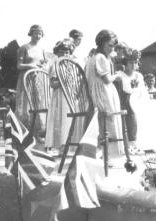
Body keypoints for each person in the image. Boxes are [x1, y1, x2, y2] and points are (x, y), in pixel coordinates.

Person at [85, 29, 124, 157]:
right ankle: (109, 153)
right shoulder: (101, 58)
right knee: (110, 119)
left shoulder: (92, 57)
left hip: (95, 95)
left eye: (113, 46)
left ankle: (104, 151)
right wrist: (117, 76)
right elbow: (107, 80)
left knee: (107, 120)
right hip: (102, 95)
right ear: (101, 43)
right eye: (109, 45)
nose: (111, 48)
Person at [45, 38, 85, 153]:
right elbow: (53, 84)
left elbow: (78, 79)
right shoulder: (56, 65)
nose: (64, 54)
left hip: (72, 96)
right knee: (61, 120)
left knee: (72, 120)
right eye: (62, 51)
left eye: (67, 52)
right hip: (60, 97)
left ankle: (71, 145)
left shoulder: (73, 65)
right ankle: (61, 146)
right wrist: (63, 82)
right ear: (57, 53)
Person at [15, 24, 47, 140]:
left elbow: (45, 64)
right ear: (31, 34)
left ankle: (37, 133)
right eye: (35, 33)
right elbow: (19, 66)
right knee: (25, 105)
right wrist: (31, 65)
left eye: (40, 33)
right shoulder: (24, 48)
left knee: (38, 103)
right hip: (26, 79)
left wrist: (43, 67)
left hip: (38, 80)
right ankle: (23, 133)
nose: (38, 36)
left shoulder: (42, 50)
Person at [117, 49, 145, 154]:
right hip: (125, 100)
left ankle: (137, 141)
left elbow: (142, 90)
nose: (133, 65)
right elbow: (125, 90)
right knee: (131, 109)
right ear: (125, 63)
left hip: (138, 99)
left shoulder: (139, 75)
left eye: (135, 62)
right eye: (130, 63)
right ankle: (131, 143)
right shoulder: (120, 75)